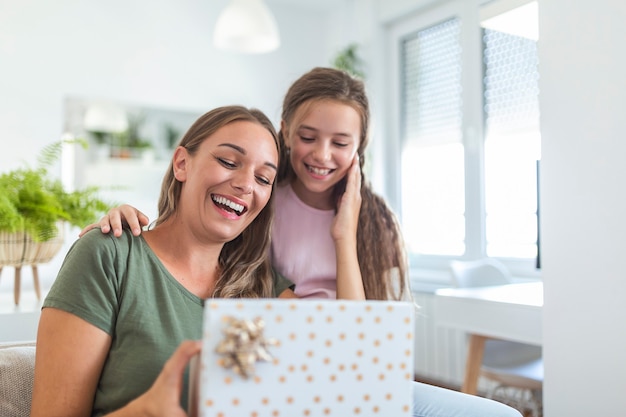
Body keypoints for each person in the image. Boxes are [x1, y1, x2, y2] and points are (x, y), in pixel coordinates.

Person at [81, 68, 522, 417]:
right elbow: (195, 232)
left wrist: (344, 236)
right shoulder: (262, 203)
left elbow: (361, 341)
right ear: (286, 131)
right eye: (308, 137)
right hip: (276, 364)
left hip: (353, 366)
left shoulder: (372, 222)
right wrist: (123, 223)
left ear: (359, 149)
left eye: (340, 143)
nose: (322, 154)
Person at [30, 106, 293, 417]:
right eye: (227, 162)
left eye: (263, 179)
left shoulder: (267, 287)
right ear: (182, 163)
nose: (246, 185)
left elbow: (346, 368)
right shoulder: (110, 257)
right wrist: (144, 411)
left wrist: (345, 235)